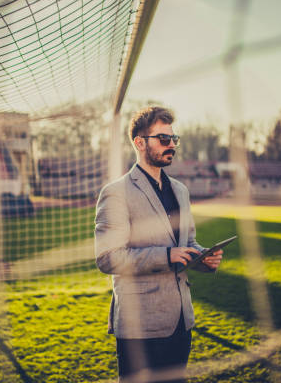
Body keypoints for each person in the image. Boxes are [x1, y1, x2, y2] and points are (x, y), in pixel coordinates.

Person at [94, 106, 223, 382]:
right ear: (139, 143)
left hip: (181, 321)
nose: (171, 146)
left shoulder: (180, 190)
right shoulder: (115, 193)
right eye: (163, 139)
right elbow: (108, 258)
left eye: (173, 139)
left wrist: (203, 257)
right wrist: (167, 255)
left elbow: (187, 243)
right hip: (140, 327)